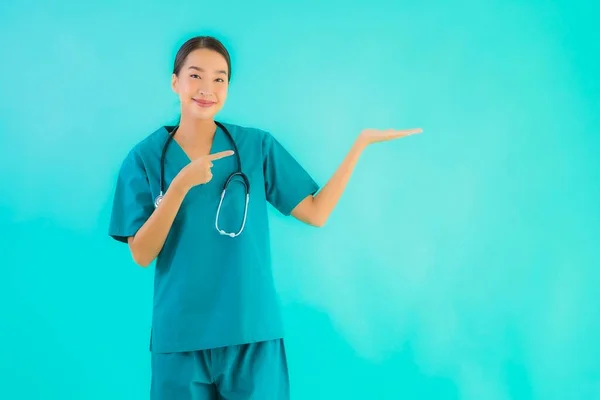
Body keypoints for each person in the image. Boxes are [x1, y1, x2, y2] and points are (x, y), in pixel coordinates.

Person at [108, 35, 422, 400]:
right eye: (195, 75)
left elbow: (316, 212)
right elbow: (142, 253)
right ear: (175, 81)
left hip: (251, 331)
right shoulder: (144, 158)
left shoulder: (256, 147)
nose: (207, 88)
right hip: (180, 338)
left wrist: (359, 146)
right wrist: (178, 188)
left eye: (219, 78)